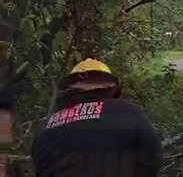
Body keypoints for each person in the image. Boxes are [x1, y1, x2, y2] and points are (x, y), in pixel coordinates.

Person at [31, 58, 161, 177]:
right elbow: (152, 159)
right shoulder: (129, 113)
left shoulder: (45, 127)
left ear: (70, 88)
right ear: (111, 87)